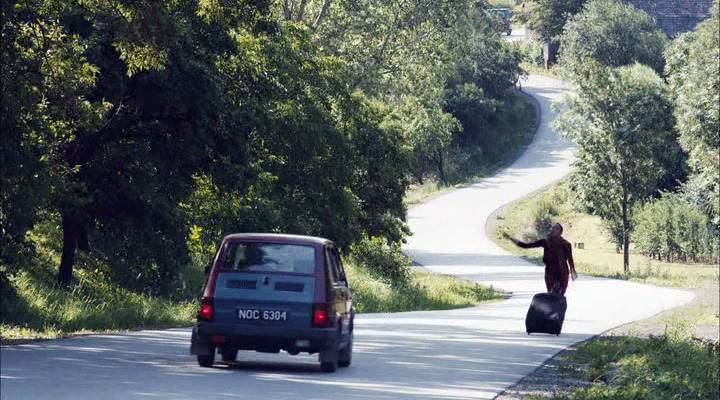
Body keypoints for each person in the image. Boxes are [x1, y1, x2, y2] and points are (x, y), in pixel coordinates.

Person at [503, 223, 577, 296]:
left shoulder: (566, 244)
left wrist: (573, 271)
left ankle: (560, 305)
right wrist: (511, 238)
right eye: (552, 228)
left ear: (560, 232)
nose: (552, 229)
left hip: (562, 274)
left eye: (555, 228)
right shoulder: (545, 242)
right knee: (550, 295)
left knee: (560, 295)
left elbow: (570, 260)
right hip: (550, 273)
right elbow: (525, 245)